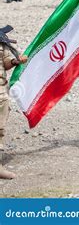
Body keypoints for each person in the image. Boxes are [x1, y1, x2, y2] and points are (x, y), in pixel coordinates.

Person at [0, 25, 28, 179]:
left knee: (0, 129)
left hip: (1, 94)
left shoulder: (1, 40)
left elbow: (5, 62)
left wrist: (16, 61)